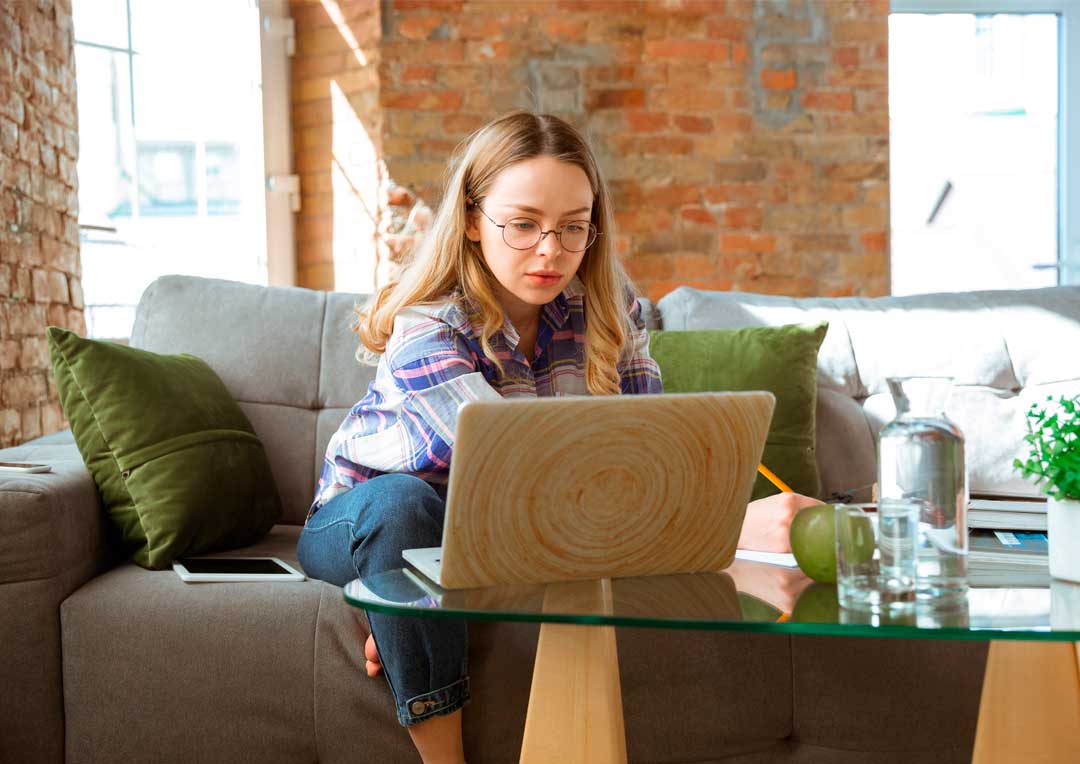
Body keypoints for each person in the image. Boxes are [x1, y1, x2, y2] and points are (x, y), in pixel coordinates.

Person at [297, 112, 819, 764]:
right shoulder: (427, 327)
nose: (551, 250)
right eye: (522, 225)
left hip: (491, 540)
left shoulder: (608, 308)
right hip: (362, 519)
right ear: (470, 220)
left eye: (574, 227)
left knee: (431, 553)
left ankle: (405, 600)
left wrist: (713, 514)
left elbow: (646, 455)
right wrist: (734, 526)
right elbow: (514, 476)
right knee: (404, 508)